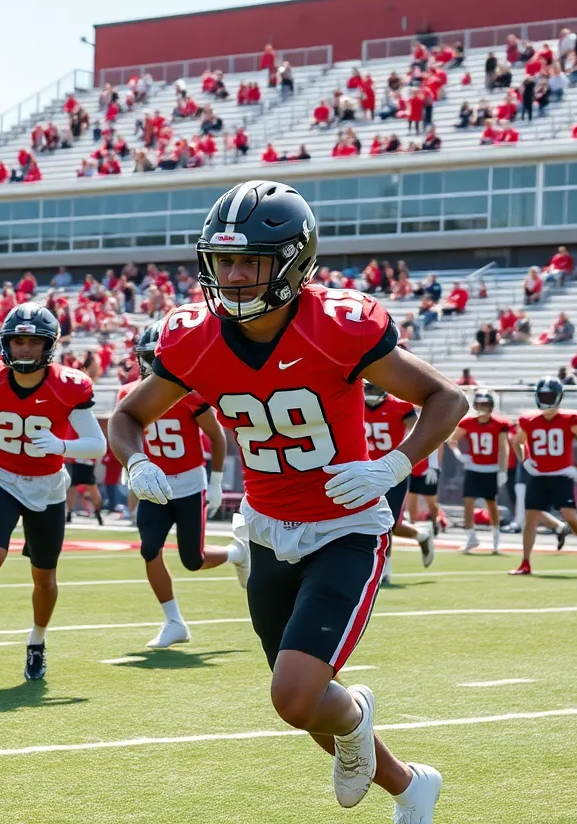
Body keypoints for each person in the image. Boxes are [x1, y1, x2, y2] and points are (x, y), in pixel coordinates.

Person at [108, 180, 460, 821]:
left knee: (295, 697)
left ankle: (357, 717)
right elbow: (128, 414)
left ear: (295, 262)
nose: (235, 276)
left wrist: (392, 463)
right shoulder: (192, 338)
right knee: (307, 704)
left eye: (253, 261)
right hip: (265, 528)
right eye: (224, 260)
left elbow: (446, 399)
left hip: (345, 525)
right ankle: (411, 787)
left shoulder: (338, 327)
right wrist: (135, 459)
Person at [0, 303, 106, 681]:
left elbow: (96, 444)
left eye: (33, 342)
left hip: (48, 486)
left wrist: (61, 445)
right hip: (3, 479)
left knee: (44, 578)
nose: (25, 349)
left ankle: (37, 642)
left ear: (49, 346)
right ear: (6, 343)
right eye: (18, 341)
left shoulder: (67, 385)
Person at [116, 319, 246, 648]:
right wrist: (132, 466)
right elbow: (127, 432)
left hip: (189, 485)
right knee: (149, 549)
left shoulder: (190, 394)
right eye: (147, 357)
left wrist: (215, 482)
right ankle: (174, 622)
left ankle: (237, 553)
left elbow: (217, 438)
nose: (151, 365)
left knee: (193, 559)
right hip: (155, 485)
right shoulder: (128, 394)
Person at [511, 378, 577, 575]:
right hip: (538, 475)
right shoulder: (529, 421)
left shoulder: (569, 420)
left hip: (561, 475)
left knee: (569, 516)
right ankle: (525, 562)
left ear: (559, 397)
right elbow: (517, 442)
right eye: (543, 396)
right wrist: (524, 461)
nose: (546, 400)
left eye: (550, 396)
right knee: (530, 518)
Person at [363, 382, 435, 584]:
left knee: (388, 522)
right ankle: (421, 535)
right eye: (368, 389)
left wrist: (413, 458)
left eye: (374, 389)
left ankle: (385, 569)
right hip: (365, 469)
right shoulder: (356, 405)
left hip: (392, 471)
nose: (370, 394)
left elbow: (419, 430)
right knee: (369, 521)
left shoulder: (400, 406)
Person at [447, 390, 510, 555]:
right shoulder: (468, 422)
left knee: (491, 503)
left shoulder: (499, 423)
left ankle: (496, 537)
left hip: (491, 468)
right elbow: (452, 440)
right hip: (474, 467)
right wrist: (459, 455)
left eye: (486, 405)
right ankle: (471, 536)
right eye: (481, 404)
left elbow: (504, 448)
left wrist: (503, 470)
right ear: (475, 405)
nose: (484, 408)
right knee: (468, 502)